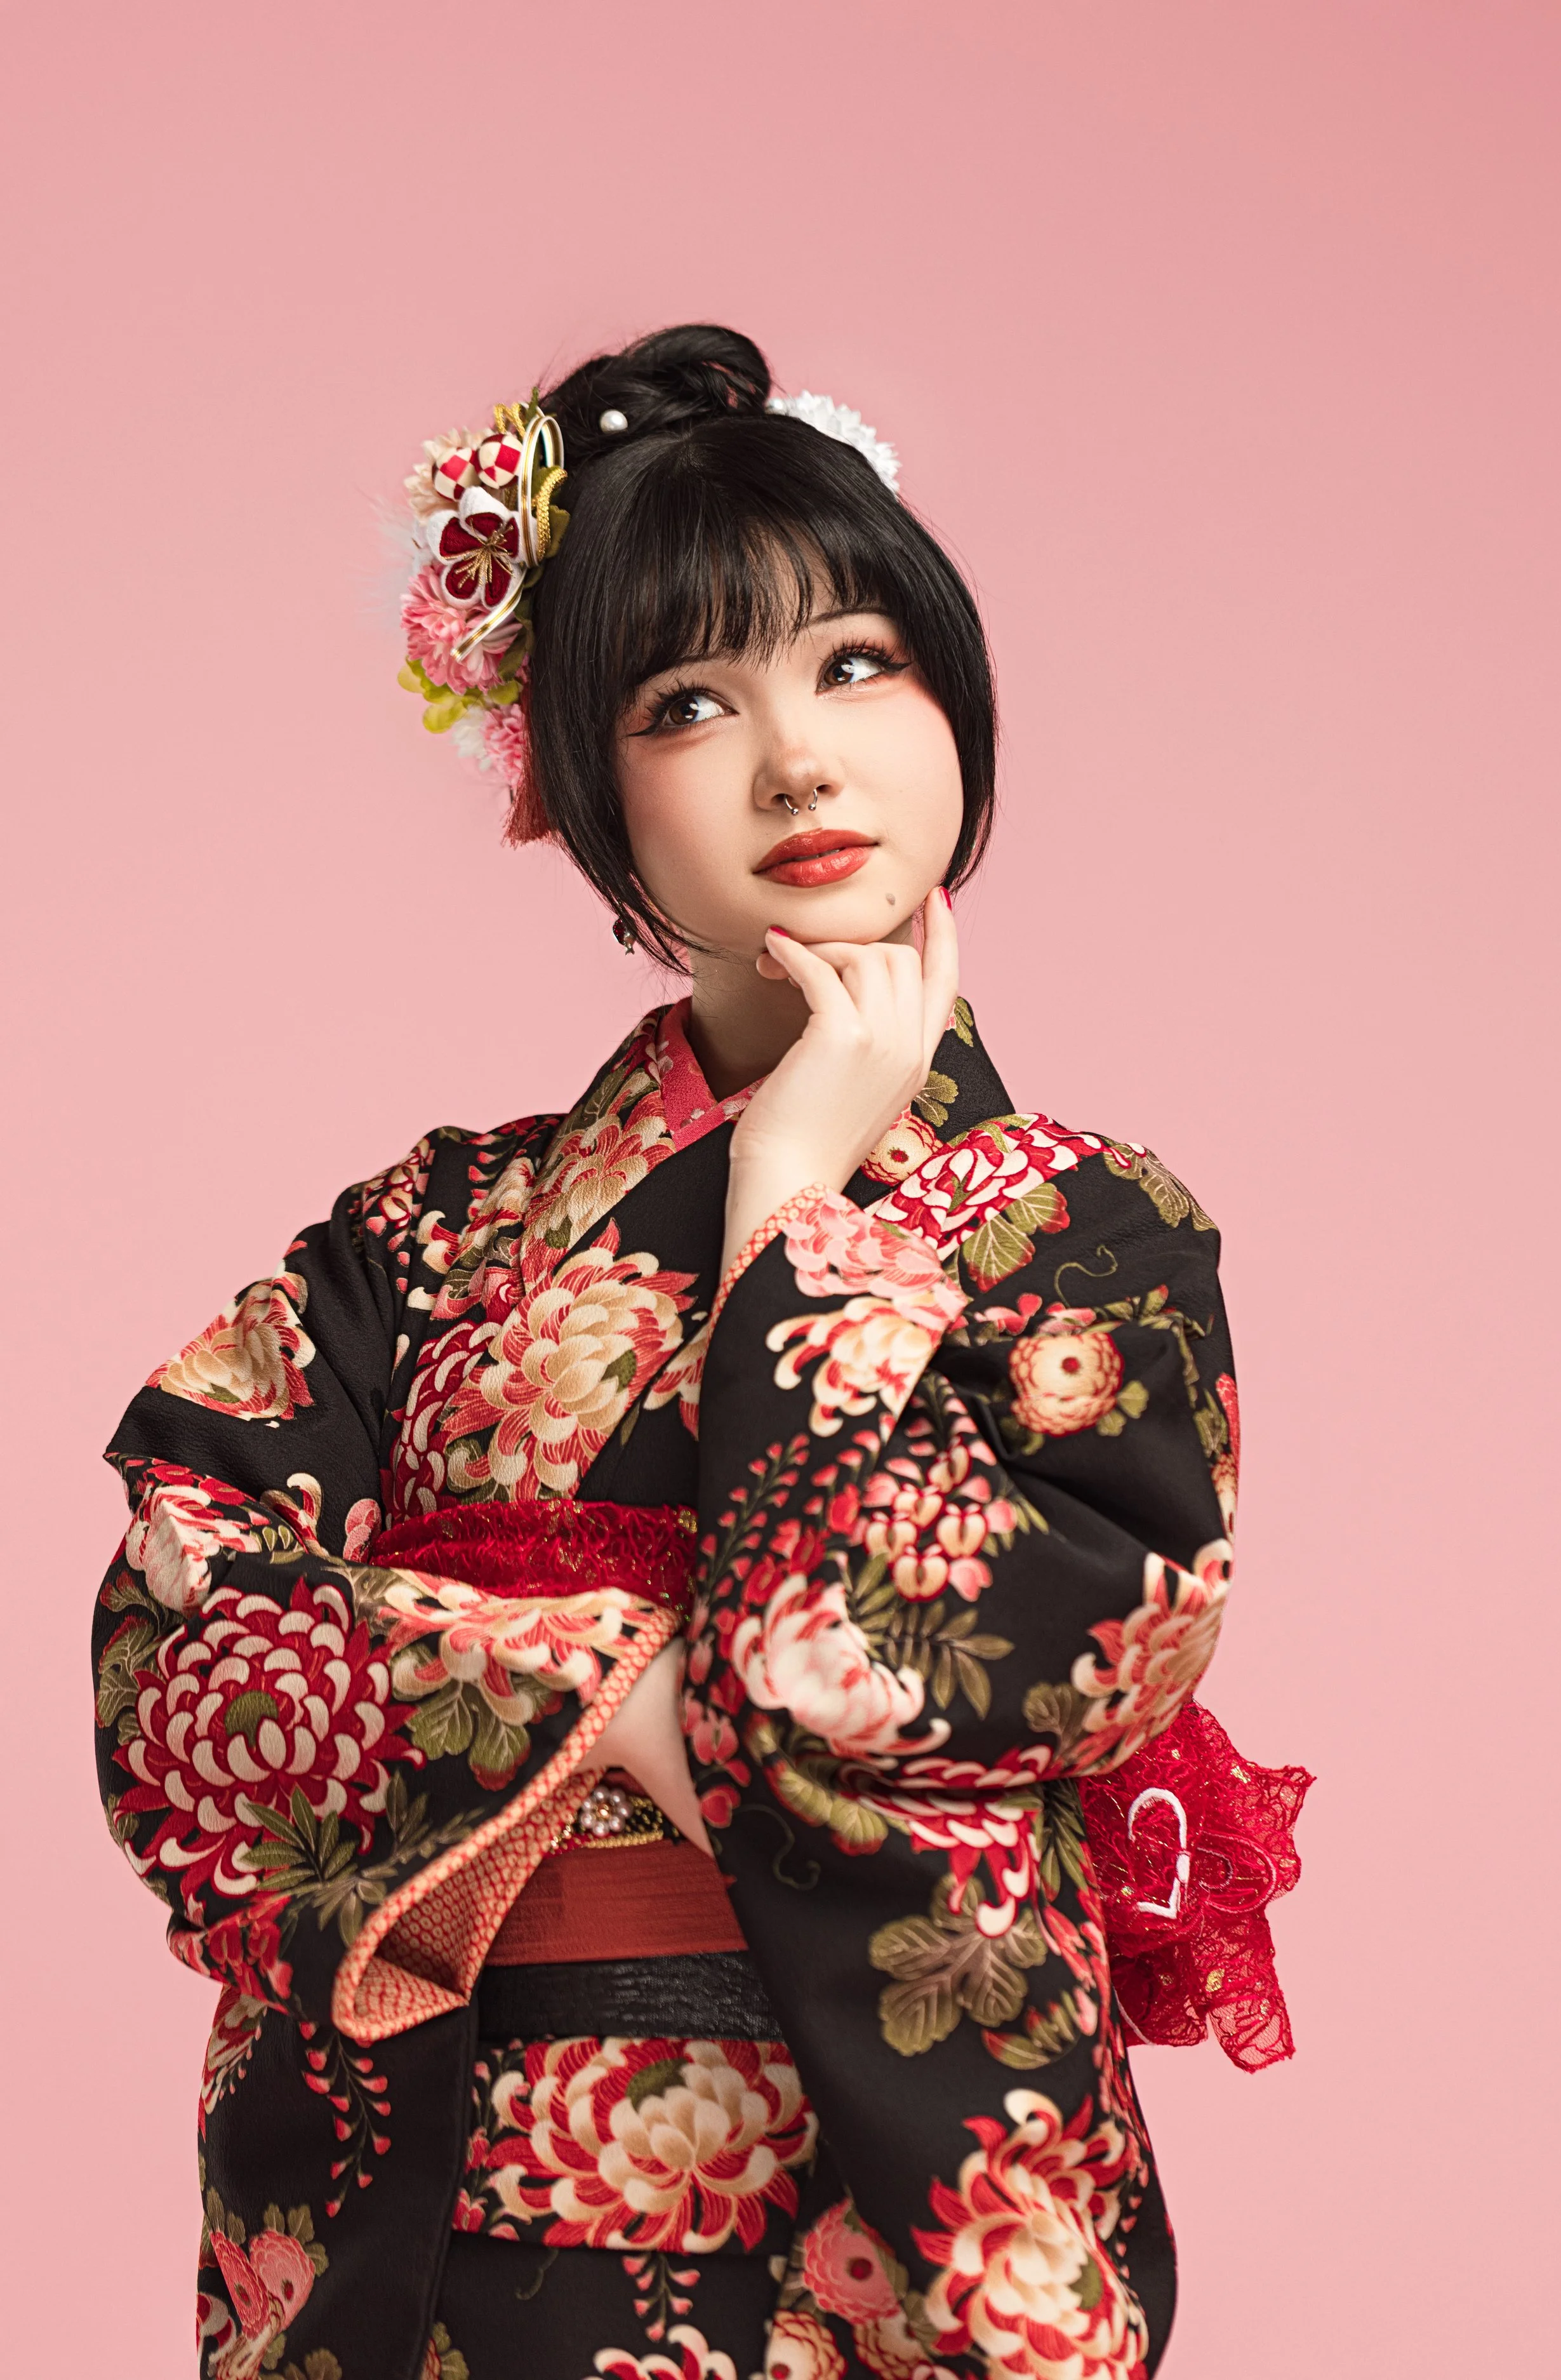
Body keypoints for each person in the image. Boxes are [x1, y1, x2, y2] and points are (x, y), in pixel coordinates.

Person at [93, 324, 1308, 2380]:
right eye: (688, 700)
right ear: (587, 796)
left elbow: (988, 1659)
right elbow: (179, 1632)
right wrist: (606, 1690)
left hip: (880, 2211)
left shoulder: (1088, 1233)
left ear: (950, 701)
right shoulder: (425, 1234)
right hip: (461, 2194)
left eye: (855, 664)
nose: (796, 759)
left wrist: (788, 1216)